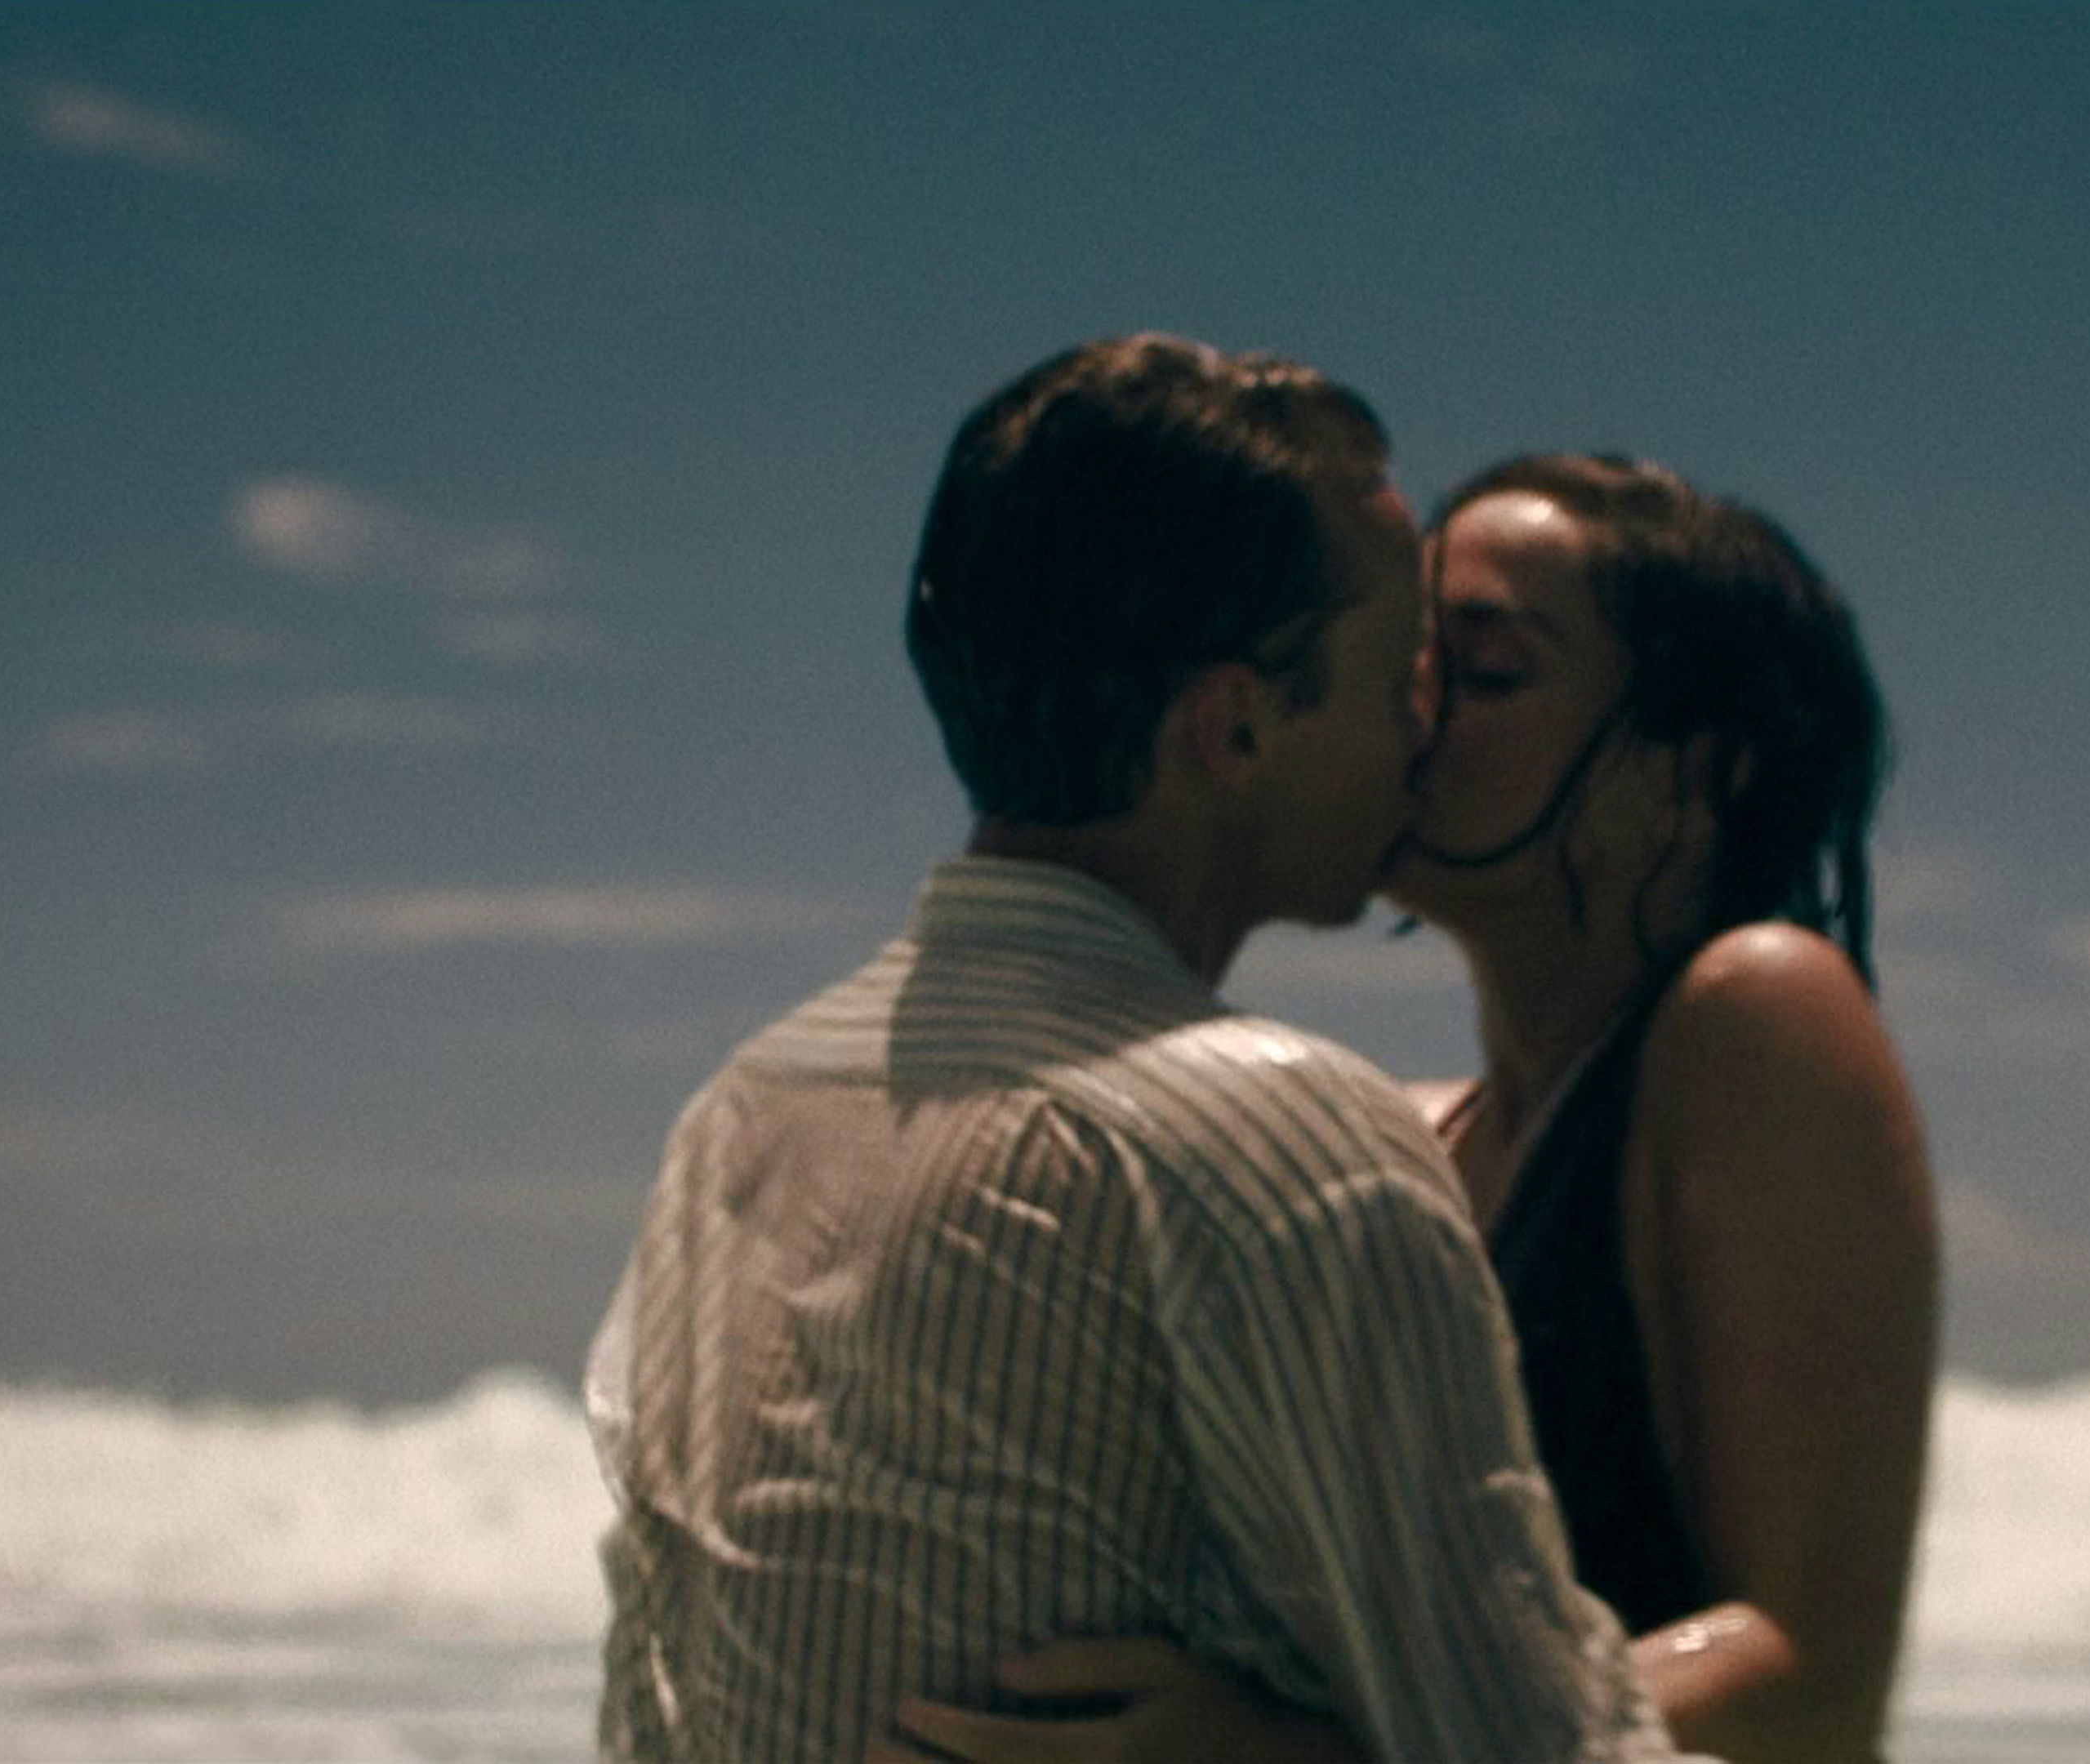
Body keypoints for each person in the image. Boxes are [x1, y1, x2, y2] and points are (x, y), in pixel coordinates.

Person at [586, 339, 1678, 1763]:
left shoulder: (746, 1106)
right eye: (1398, 671)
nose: (1426, 724)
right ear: (1235, 728)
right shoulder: (1281, 1145)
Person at [888, 454, 1941, 1764]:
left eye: (1485, 674)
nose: (1409, 710)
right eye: (1400, 658)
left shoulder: (1753, 1015)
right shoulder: (1400, 1138)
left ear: (1690, 772)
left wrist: (1295, 1753)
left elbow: (1813, 1685)